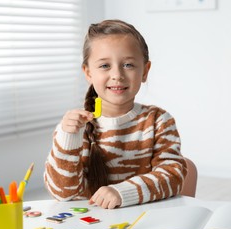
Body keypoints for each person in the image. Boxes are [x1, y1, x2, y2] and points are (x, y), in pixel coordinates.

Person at [44, 19, 187, 209]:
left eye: (128, 65)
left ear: (145, 71)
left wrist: (122, 192)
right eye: (104, 66)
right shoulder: (73, 128)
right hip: (92, 228)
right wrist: (68, 137)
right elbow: (63, 194)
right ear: (88, 73)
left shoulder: (158, 121)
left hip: (145, 223)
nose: (117, 74)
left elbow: (173, 177)